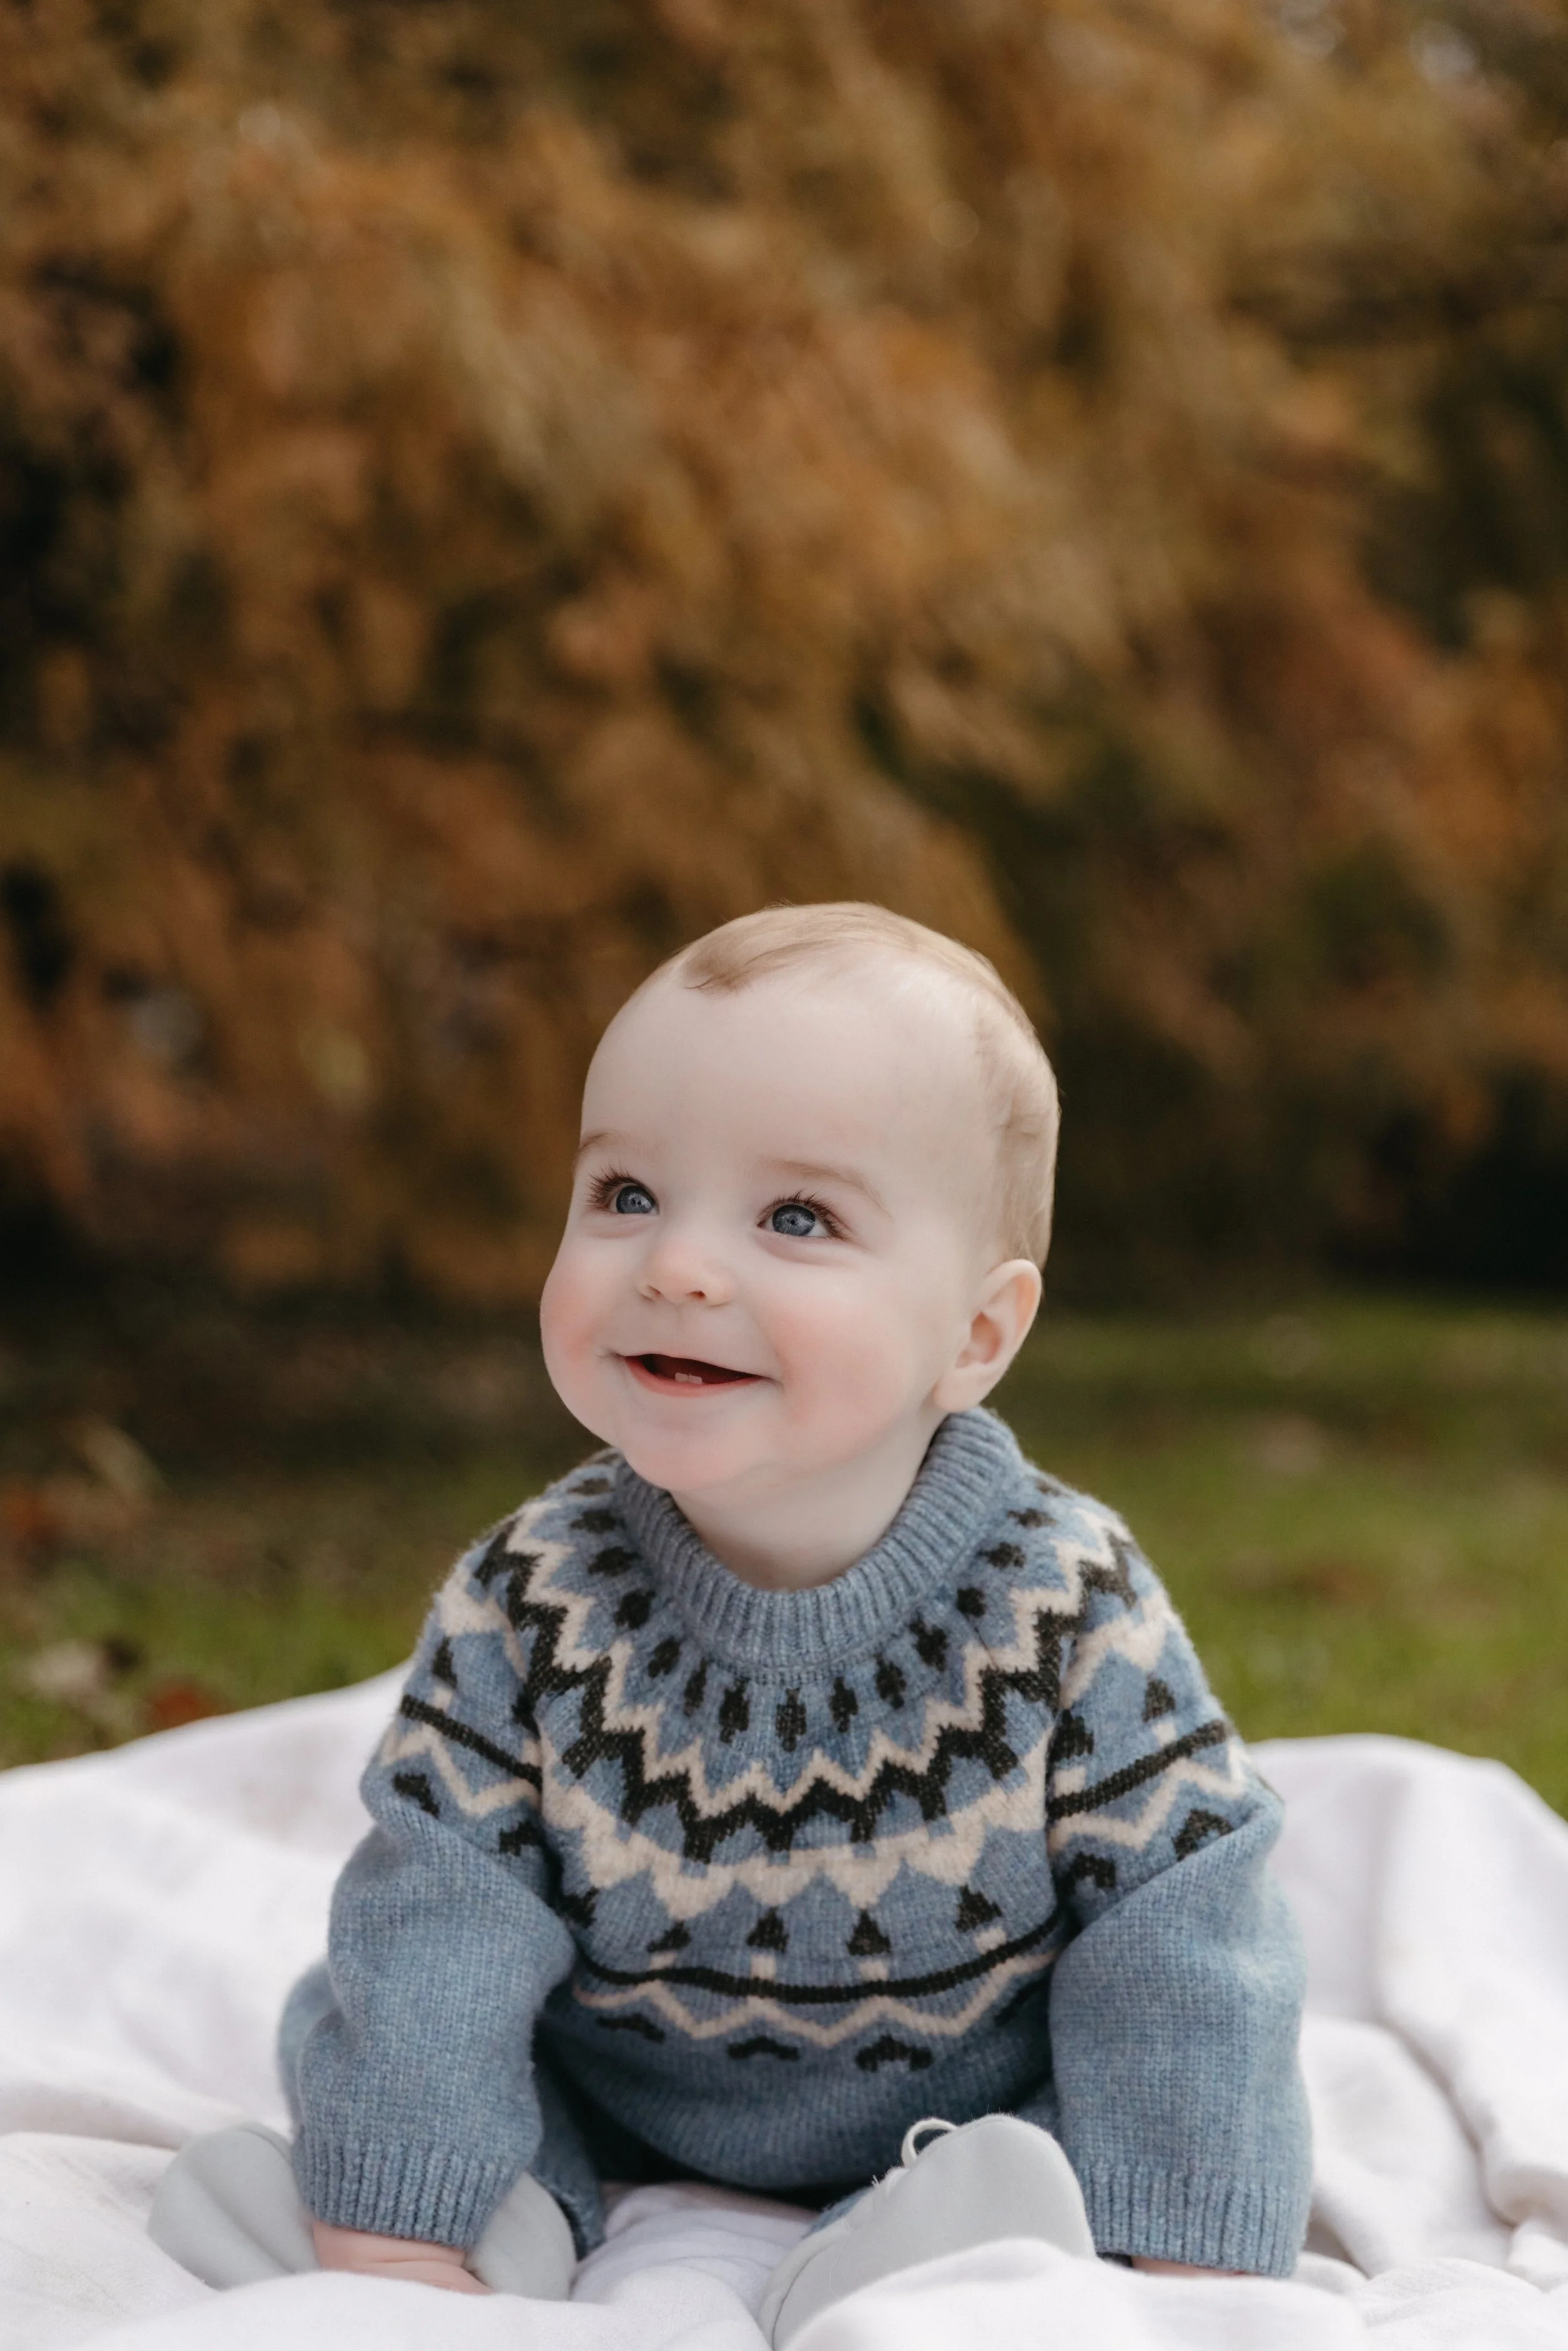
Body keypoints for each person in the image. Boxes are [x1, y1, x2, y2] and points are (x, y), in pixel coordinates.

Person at [150, 903, 1311, 2337]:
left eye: (795, 1218)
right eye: (626, 1192)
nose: (677, 1265)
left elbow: (1186, 1923)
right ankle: (487, 2216)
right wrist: (392, 2213)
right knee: (397, 2021)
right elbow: (439, 1913)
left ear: (976, 1334)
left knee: (1059, 2139)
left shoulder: (1065, 1611)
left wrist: (1190, 2242)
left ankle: (946, 2240)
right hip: (613, 2086)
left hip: (962, 2092)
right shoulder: (532, 1602)